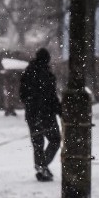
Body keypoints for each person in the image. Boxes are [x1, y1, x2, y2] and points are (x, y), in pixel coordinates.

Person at [20, 48, 62, 182]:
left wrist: (31, 107)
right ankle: (42, 165)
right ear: (47, 59)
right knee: (55, 140)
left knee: (38, 143)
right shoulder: (47, 75)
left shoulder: (27, 73)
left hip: (32, 114)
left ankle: (41, 167)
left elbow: (23, 95)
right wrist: (59, 111)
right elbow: (51, 96)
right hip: (47, 114)